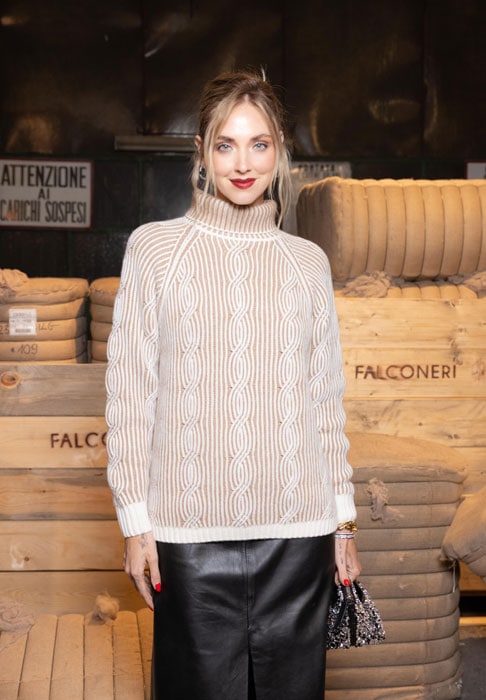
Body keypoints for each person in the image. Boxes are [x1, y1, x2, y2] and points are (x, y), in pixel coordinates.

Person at [105, 68, 361, 700]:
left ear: (280, 151)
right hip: (188, 538)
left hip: (299, 533)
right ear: (201, 152)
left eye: (259, 144)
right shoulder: (155, 250)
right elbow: (131, 393)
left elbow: (324, 401)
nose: (243, 164)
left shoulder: (307, 264)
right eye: (226, 145)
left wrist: (344, 524)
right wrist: (135, 522)